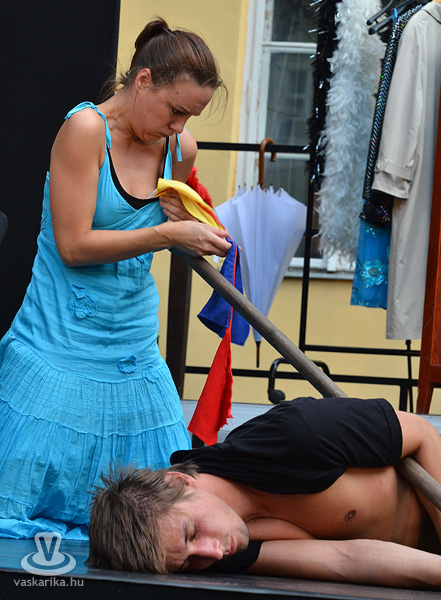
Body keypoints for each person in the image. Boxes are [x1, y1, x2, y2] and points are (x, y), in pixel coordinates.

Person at [0, 17, 231, 540]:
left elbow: (159, 229)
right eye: (174, 110)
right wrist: (170, 235)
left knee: (150, 519)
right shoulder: (86, 130)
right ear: (143, 80)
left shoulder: (179, 148)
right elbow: (73, 245)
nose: (179, 126)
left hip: (132, 345)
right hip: (59, 341)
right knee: (23, 509)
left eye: (189, 117)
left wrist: (195, 231)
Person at [89, 397, 441, 590]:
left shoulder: (298, 435)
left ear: (179, 483)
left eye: (191, 532)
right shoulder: (220, 552)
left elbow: (424, 435)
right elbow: (345, 558)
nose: (212, 553)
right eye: (187, 564)